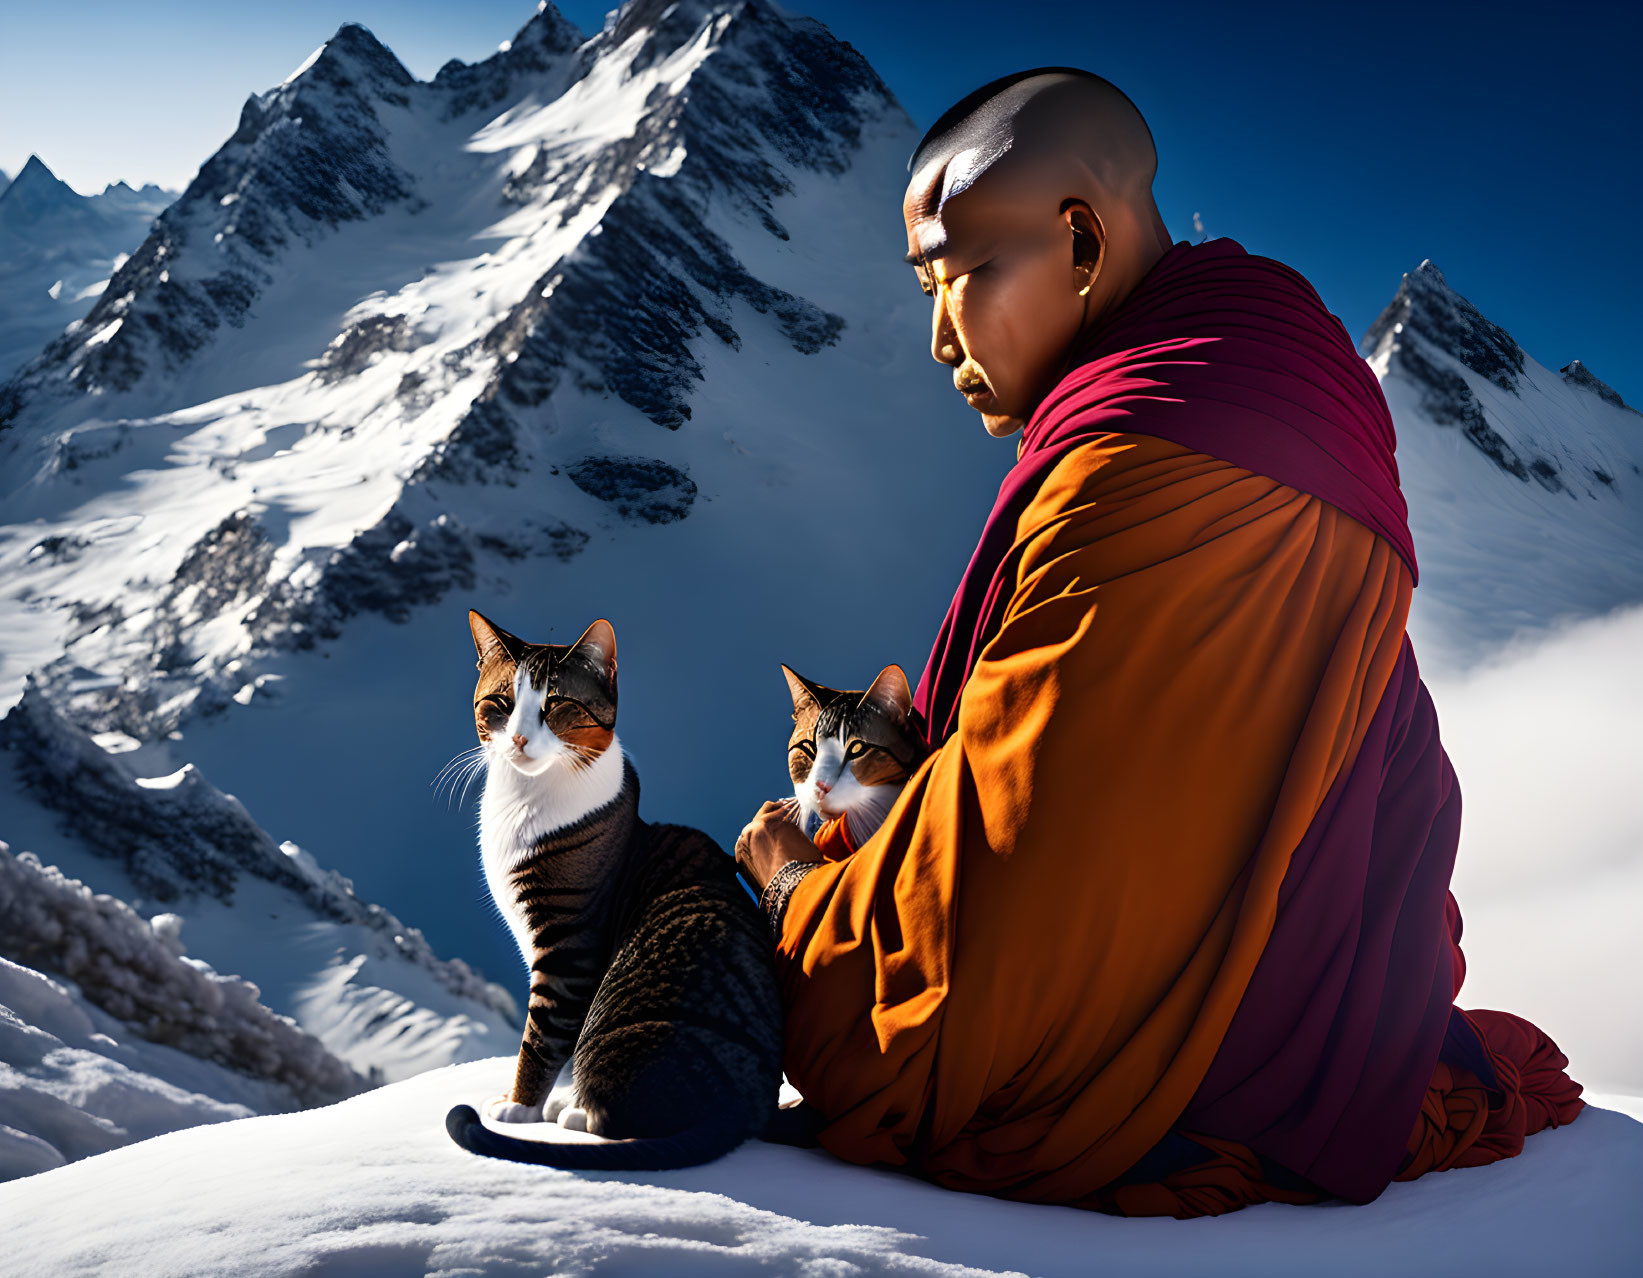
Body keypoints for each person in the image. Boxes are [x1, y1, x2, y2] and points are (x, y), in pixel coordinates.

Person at [734, 68, 1584, 1217]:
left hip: (1183, 1067)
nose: (939, 337)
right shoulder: (1264, 359)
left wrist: (794, 892)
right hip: (1336, 1005)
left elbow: (957, 982)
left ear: (1078, 246)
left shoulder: (1138, 472)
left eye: (959, 277)